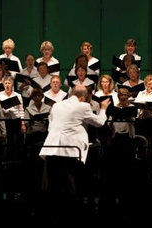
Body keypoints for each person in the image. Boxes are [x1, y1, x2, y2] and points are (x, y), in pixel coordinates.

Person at [39, 85, 110, 221]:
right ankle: (70, 216)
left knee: (53, 184)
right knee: (69, 183)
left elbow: (51, 125)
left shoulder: (57, 105)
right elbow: (99, 122)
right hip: (70, 149)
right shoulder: (83, 106)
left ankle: (51, 215)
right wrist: (103, 109)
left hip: (52, 147)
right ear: (82, 97)